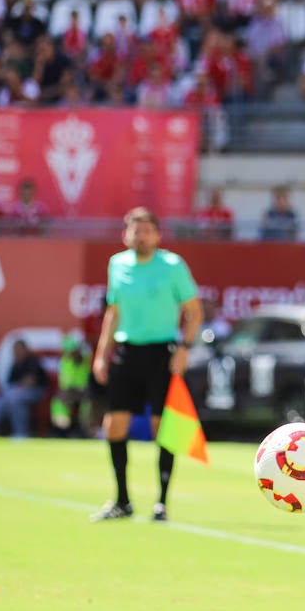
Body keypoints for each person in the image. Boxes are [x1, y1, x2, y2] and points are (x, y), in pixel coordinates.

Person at [90, 208, 203, 522]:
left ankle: (162, 502)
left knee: (162, 428)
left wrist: (184, 348)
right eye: (135, 231)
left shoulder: (172, 265)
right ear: (126, 235)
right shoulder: (117, 264)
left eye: (146, 231)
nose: (140, 237)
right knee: (114, 425)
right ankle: (122, 500)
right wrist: (102, 353)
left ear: (157, 235)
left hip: (161, 354)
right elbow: (113, 314)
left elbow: (194, 312)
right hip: (127, 352)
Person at [0, 340, 49, 437]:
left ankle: (20, 433)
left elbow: (30, 382)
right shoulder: (15, 365)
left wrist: (15, 390)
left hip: (35, 392)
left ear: (25, 349)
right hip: (13, 394)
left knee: (15, 399)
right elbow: (10, 384)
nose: (16, 352)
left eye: (18, 349)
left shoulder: (33, 361)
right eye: (14, 350)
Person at [50, 334, 91, 437]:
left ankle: (86, 431)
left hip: (84, 395)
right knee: (59, 403)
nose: (72, 353)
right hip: (69, 394)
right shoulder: (65, 362)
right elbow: (64, 386)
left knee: (88, 403)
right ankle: (61, 431)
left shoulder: (87, 361)